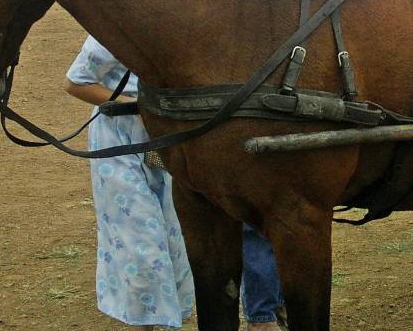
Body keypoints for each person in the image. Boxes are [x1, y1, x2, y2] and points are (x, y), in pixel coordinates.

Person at [65, 36, 283, 330]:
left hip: (168, 139)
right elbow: (75, 83)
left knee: (175, 233)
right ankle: (145, 322)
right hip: (120, 142)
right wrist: (137, 106)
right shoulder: (108, 35)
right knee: (141, 238)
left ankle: (166, 313)